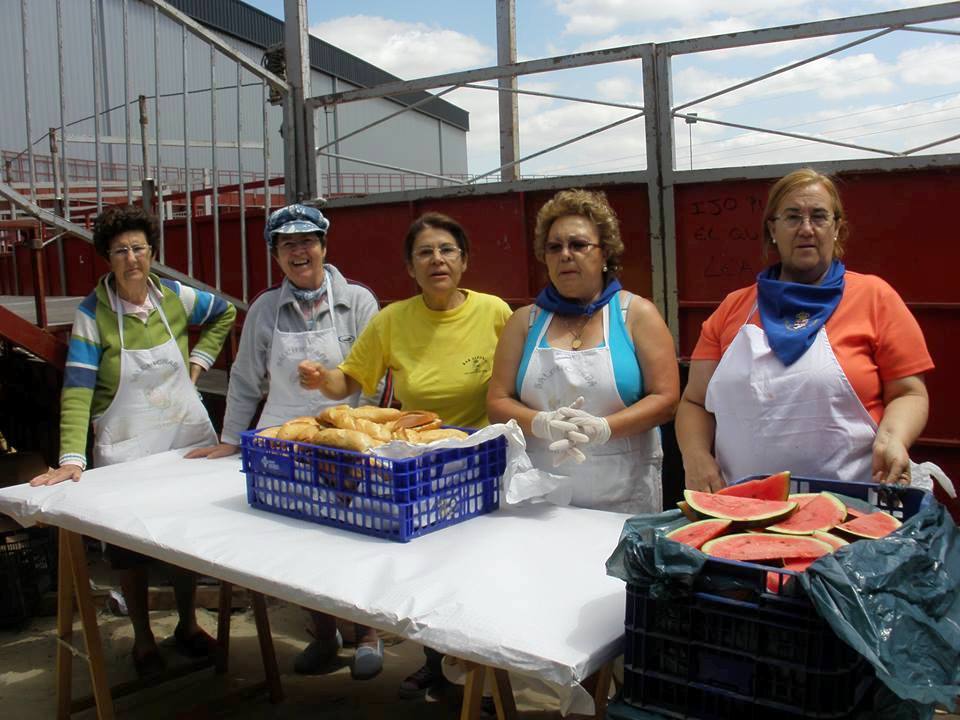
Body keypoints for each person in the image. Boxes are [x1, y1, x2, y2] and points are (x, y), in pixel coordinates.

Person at [298, 211, 512, 699]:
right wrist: (320, 379)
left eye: (446, 250)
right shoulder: (392, 320)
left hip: (481, 461)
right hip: (416, 466)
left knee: (474, 570)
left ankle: (474, 673)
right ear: (410, 268)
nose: (437, 260)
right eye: (424, 253)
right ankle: (437, 665)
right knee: (428, 571)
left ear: (464, 260)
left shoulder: (495, 312)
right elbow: (349, 381)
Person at [30, 204, 236, 677]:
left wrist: (200, 362)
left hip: (183, 442)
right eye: (120, 250)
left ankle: (187, 624)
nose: (132, 259)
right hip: (126, 450)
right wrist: (72, 459)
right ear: (108, 257)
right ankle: (144, 638)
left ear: (152, 252)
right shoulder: (92, 316)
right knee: (130, 549)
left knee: (185, 540)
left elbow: (224, 312)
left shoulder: (176, 299)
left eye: (139, 248)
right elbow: (78, 390)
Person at [185, 203, 387, 680]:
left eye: (308, 241)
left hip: (346, 439)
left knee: (357, 537)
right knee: (298, 546)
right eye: (287, 244)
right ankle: (323, 634)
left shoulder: (358, 301)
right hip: (283, 439)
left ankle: (368, 634)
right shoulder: (262, 309)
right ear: (276, 255)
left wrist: (362, 436)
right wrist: (231, 439)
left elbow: (373, 380)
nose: (300, 251)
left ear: (323, 246)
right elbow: (245, 378)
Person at [676, 168, 933, 492]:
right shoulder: (732, 309)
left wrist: (894, 438)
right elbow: (694, 403)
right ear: (773, 228)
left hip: (852, 508)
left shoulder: (875, 298)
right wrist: (695, 456)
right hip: (741, 506)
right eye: (793, 217)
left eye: (820, 217)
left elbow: (909, 393)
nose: (806, 229)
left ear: (837, 228)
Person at [487, 188, 679, 514]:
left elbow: (666, 400)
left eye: (578, 245)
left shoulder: (635, 315)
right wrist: (542, 423)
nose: (565, 254)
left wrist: (605, 429)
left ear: (605, 255)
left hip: (623, 497)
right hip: (540, 498)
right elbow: (497, 402)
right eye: (554, 247)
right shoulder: (524, 322)